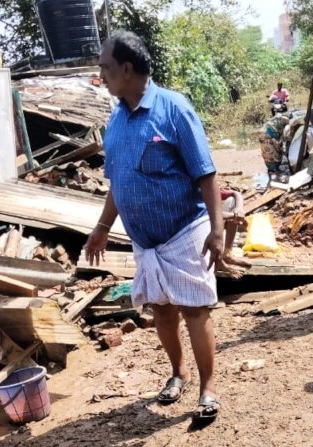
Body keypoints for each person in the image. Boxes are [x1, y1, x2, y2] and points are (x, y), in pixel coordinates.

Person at [85, 31, 225, 422]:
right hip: (145, 241)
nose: (102, 75)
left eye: (106, 68)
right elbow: (118, 181)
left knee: (194, 310)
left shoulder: (173, 109)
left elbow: (206, 174)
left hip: (183, 229)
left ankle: (207, 389)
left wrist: (217, 229)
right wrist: (101, 227)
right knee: (161, 311)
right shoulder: (117, 120)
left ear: (126, 70)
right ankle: (178, 372)